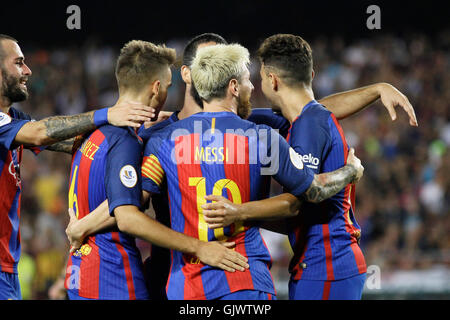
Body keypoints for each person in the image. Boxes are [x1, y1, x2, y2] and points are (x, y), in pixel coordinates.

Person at [67, 32, 417, 300]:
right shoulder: (258, 135)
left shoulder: (161, 138)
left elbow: (310, 109)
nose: (255, 85)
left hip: (186, 283)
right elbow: (130, 203)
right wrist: (351, 172)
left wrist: (375, 89)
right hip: (228, 277)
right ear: (191, 74)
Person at [202, 34, 417, 300]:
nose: (258, 87)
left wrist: (238, 212)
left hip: (327, 264)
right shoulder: (304, 119)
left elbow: (300, 200)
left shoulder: (308, 125)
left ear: (272, 80)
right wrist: (377, 89)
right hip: (325, 263)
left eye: (259, 79)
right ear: (311, 74)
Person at [64, 40, 249, 300]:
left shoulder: (91, 132)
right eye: (168, 87)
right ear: (157, 87)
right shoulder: (126, 141)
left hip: (81, 272)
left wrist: (81, 226)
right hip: (113, 276)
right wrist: (199, 247)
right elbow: (127, 215)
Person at [0, 34, 155, 300]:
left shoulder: (14, 120)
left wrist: (138, 130)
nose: (28, 70)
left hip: (8, 265)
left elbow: (73, 142)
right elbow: (41, 133)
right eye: (19, 63)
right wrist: (107, 114)